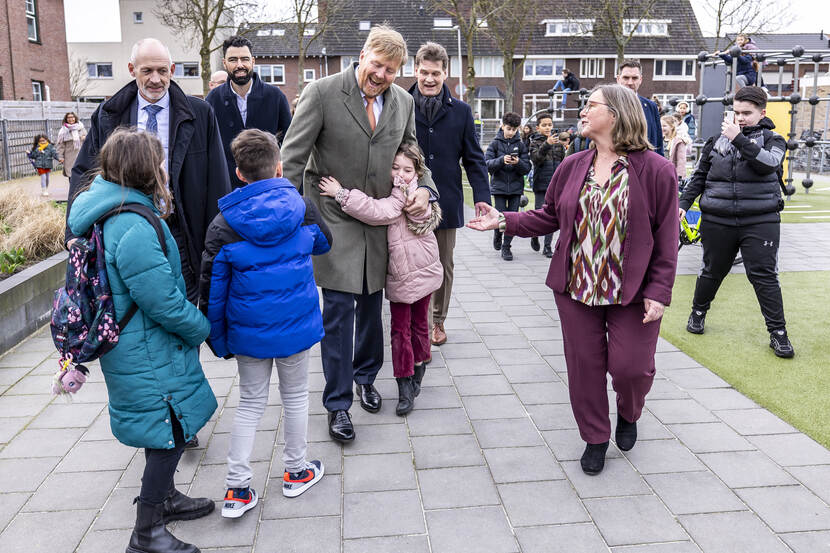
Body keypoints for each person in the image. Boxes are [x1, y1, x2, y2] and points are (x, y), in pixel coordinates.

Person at [467, 84, 679, 475]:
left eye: (590, 106)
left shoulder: (656, 170)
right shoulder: (573, 164)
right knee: (585, 368)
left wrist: (660, 291)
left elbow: (667, 237)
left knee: (632, 369)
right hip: (577, 287)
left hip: (633, 292)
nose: (582, 112)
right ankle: (595, 437)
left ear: (615, 114)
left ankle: (629, 412)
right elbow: (549, 216)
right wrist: (503, 220)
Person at [281, 26, 438, 443]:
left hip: (380, 219)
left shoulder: (404, 102)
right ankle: (337, 404)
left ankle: (366, 377)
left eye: (391, 70)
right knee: (337, 311)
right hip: (332, 216)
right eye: (377, 65)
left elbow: (414, 156)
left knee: (371, 308)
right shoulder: (322, 93)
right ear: (363, 54)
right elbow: (292, 158)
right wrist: (294, 218)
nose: (381, 75)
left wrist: (425, 189)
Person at [67, 129, 217, 553]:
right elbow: (162, 301)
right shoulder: (132, 224)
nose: (163, 168)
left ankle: (165, 499)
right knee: (169, 431)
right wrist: (201, 327)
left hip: (138, 343)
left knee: (163, 427)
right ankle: (146, 533)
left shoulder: (113, 208)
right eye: (158, 161)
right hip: (147, 348)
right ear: (145, 170)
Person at [199, 129, 331, 519]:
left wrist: (218, 339)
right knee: (296, 397)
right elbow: (324, 243)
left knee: (250, 404)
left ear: (239, 173)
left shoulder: (224, 224)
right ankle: (296, 471)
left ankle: (237, 488)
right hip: (296, 326)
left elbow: (212, 290)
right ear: (278, 167)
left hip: (249, 332)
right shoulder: (302, 207)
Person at [66, 37, 230, 307]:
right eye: (147, 71)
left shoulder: (200, 113)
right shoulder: (109, 115)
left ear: (172, 70)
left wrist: (219, 236)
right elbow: (84, 173)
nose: (156, 79)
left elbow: (217, 179)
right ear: (132, 70)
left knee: (185, 306)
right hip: (126, 231)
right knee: (136, 311)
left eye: (162, 71)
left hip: (182, 232)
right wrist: (73, 233)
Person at [319, 143, 442, 415]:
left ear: (417, 172)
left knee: (419, 324)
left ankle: (418, 368)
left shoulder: (410, 194)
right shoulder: (401, 190)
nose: (399, 174)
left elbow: (380, 212)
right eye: (395, 168)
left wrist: (341, 194)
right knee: (400, 328)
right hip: (402, 273)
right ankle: (405, 384)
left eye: (407, 170)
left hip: (421, 269)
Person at [679, 86, 793, 358]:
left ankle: (778, 333)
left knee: (764, 276)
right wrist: (682, 205)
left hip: (761, 219)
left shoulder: (775, 140)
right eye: (737, 112)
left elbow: (768, 164)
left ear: (762, 113)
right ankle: (698, 312)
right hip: (717, 218)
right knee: (712, 270)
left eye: (747, 113)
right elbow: (699, 176)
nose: (740, 118)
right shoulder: (715, 141)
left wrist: (739, 139)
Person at [407, 41, 490, 346]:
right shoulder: (399, 104)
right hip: (405, 200)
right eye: (424, 72)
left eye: (436, 73)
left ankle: (437, 320)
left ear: (446, 73)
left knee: (442, 262)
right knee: (406, 262)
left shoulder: (462, 112)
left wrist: (482, 197)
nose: (429, 79)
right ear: (415, 70)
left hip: (445, 201)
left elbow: (474, 158)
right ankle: (411, 318)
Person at [206, 35, 292, 188]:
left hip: (268, 188)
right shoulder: (212, 99)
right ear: (224, 63)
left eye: (244, 59)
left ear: (253, 61)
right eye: (233, 60)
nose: (239, 65)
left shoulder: (276, 97)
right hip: (226, 189)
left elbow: (289, 143)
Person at [485, 111, 531, 261]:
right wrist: (501, 160)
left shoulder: (521, 145)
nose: (511, 132)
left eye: (514, 129)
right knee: (501, 217)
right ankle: (497, 233)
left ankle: (506, 247)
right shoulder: (494, 144)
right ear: (502, 126)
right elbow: (486, 164)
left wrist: (518, 163)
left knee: (513, 220)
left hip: (516, 189)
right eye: (508, 128)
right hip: (499, 188)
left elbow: (527, 168)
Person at [528, 112, 565, 257]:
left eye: (550, 125)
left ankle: (547, 246)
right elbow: (536, 159)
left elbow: (563, 163)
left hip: (555, 185)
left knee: (551, 216)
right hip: (541, 184)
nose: (548, 127)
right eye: (544, 125)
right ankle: (534, 234)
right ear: (538, 128)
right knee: (540, 213)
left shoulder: (558, 144)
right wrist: (547, 144)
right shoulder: (535, 142)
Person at [616, 59, 664, 156]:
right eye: (626, 78)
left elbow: (658, 142)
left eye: (634, 78)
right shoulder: (606, 104)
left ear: (640, 80)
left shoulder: (651, 107)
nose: (630, 82)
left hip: (645, 162)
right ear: (618, 79)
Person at [55, 112, 87, 181]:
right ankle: (73, 187)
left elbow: (88, 140)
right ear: (66, 119)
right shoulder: (63, 131)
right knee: (71, 175)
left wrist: (85, 138)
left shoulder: (81, 128)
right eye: (68, 117)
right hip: (69, 157)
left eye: (72, 117)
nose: (71, 119)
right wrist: (60, 156)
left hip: (81, 155)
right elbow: (61, 145)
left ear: (75, 118)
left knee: (81, 174)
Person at [661, 115, 687, 182]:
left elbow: (681, 161)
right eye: (660, 126)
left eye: (664, 126)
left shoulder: (678, 141)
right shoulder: (660, 140)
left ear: (672, 127)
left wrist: (679, 177)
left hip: (671, 174)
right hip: (661, 173)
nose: (662, 128)